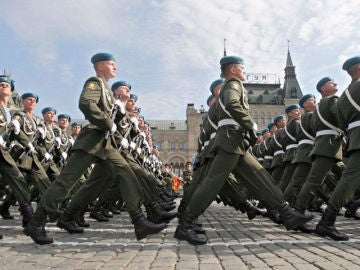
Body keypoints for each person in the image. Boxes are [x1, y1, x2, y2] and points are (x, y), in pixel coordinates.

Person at [24, 52, 167, 245]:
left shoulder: (107, 90)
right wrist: (107, 122)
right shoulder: (94, 83)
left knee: (126, 174)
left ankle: (139, 222)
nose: (115, 67)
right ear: (100, 67)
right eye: (111, 64)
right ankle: (36, 222)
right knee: (65, 182)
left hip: (106, 144)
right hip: (92, 140)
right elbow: (86, 104)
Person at [174, 55, 313, 245]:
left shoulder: (230, 86)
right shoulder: (233, 84)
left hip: (234, 141)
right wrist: (250, 125)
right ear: (233, 70)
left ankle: (286, 213)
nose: (244, 71)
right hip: (231, 140)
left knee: (259, 175)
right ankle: (186, 224)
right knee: (212, 183)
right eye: (242, 68)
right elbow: (232, 104)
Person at [315, 56, 360, 241]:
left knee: (348, 178)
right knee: (348, 180)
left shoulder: (342, 98)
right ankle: (327, 220)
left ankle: (328, 219)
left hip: (355, 137)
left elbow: (341, 123)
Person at [0, 77, 34, 237]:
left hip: (3, 152)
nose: (3, 86)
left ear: (12, 91)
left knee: (18, 179)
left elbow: (15, 131)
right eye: (1, 84)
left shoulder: (9, 112)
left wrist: (27, 143)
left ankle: (29, 219)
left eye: (7, 85)